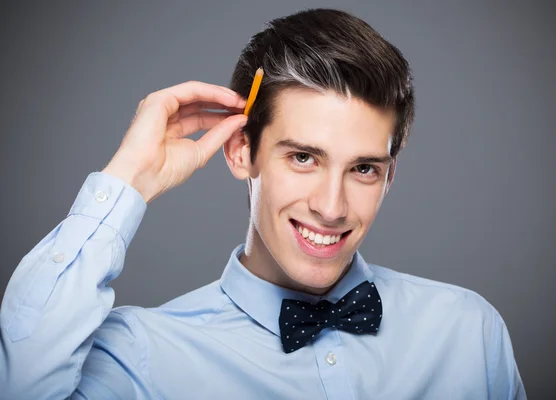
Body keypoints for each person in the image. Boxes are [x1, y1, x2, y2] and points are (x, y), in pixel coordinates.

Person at [0, 8, 526, 400]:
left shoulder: (468, 331)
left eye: (364, 169)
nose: (331, 205)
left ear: (389, 177)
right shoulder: (140, 356)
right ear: (241, 152)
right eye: (303, 158)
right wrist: (128, 180)